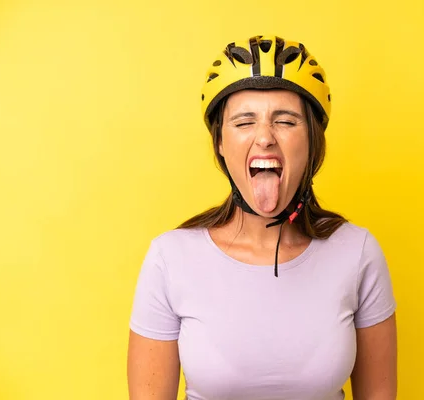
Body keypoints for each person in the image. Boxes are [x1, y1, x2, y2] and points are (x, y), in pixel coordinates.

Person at [127, 34, 398, 400]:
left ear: (313, 141)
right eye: (244, 122)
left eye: (285, 121)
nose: (265, 138)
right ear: (221, 144)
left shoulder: (358, 252)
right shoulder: (170, 259)